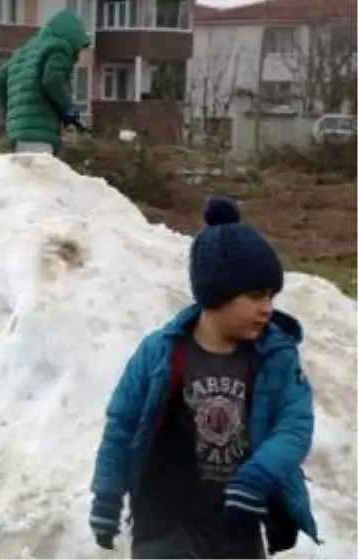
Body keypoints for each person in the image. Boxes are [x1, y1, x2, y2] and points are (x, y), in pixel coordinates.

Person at [89, 196, 319, 559]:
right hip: (167, 519)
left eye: (271, 296)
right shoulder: (161, 352)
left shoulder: (276, 356)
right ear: (217, 294)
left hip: (238, 519)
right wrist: (107, 494)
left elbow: (295, 426)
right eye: (256, 296)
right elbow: (122, 424)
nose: (267, 308)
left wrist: (257, 477)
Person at [0, 9, 90, 155]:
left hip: (17, 131)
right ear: (72, 38)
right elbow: (52, 79)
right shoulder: (59, 47)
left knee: (24, 174)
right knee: (38, 174)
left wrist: (12, 113)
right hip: (40, 133)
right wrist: (67, 107)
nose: (78, 56)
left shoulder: (24, 51)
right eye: (79, 48)